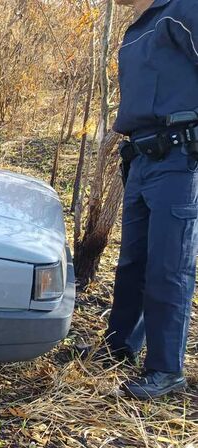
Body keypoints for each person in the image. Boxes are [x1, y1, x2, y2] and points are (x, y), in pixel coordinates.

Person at [106, 0, 198, 399]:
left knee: (169, 266)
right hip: (141, 159)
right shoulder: (135, 29)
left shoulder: (183, 9)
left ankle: (165, 369)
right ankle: (120, 344)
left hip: (179, 158)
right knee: (132, 261)